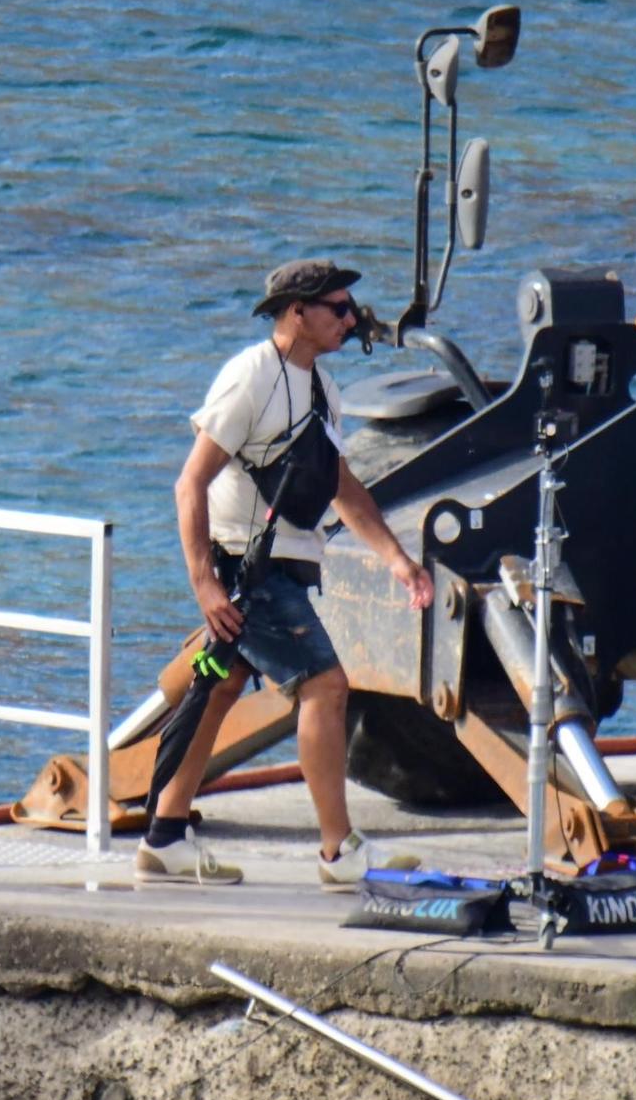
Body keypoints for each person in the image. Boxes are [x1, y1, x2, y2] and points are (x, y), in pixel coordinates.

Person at [137, 258, 432, 888]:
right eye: (339, 308)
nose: (351, 320)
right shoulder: (252, 375)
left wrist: (398, 561)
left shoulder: (323, 388)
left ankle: (164, 836)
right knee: (324, 687)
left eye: (352, 308)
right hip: (250, 571)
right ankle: (338, 852)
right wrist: (205, 586)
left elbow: (340, 486)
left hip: (285, 571)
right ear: (297, 312)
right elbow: (189, 484)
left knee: (217, 687)